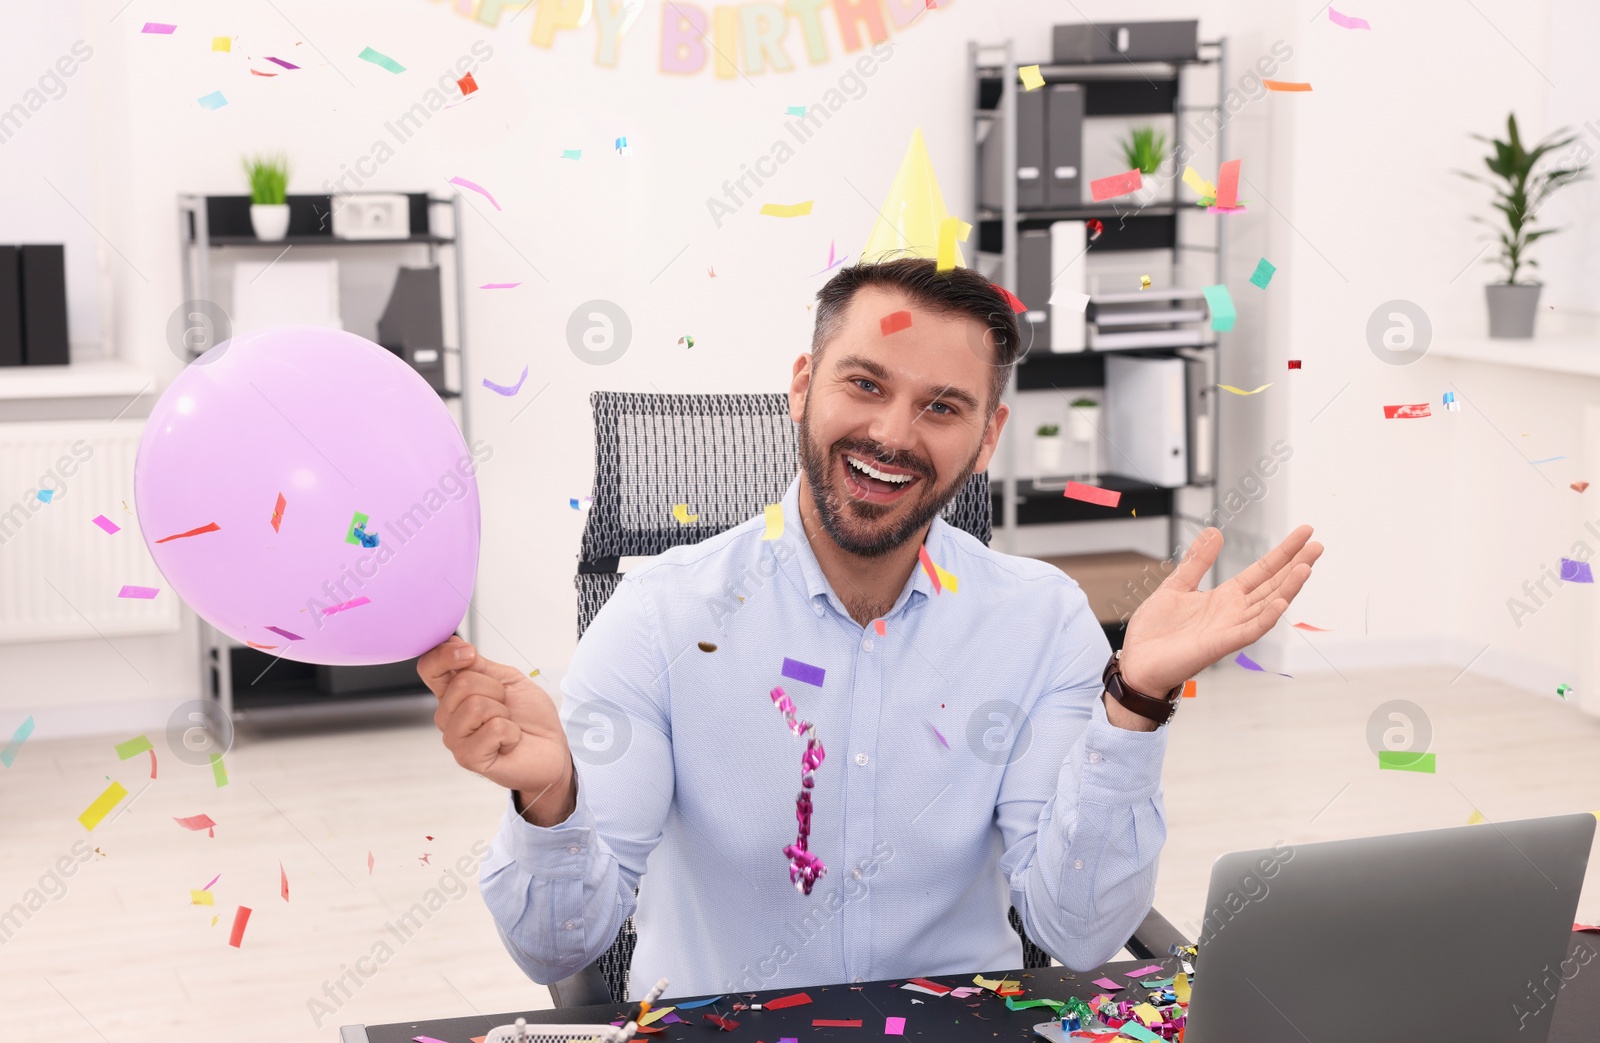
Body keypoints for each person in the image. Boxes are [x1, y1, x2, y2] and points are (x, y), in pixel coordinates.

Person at [420, 257, 1321, 998]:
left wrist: (1136, 700)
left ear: (988, 435)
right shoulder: (660, 616)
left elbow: (1079, 933)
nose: (893, 433)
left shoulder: (1043, 622)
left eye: (941, 405)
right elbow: (554, 950)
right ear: (803, 386)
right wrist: (550, 802)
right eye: (865, 383)